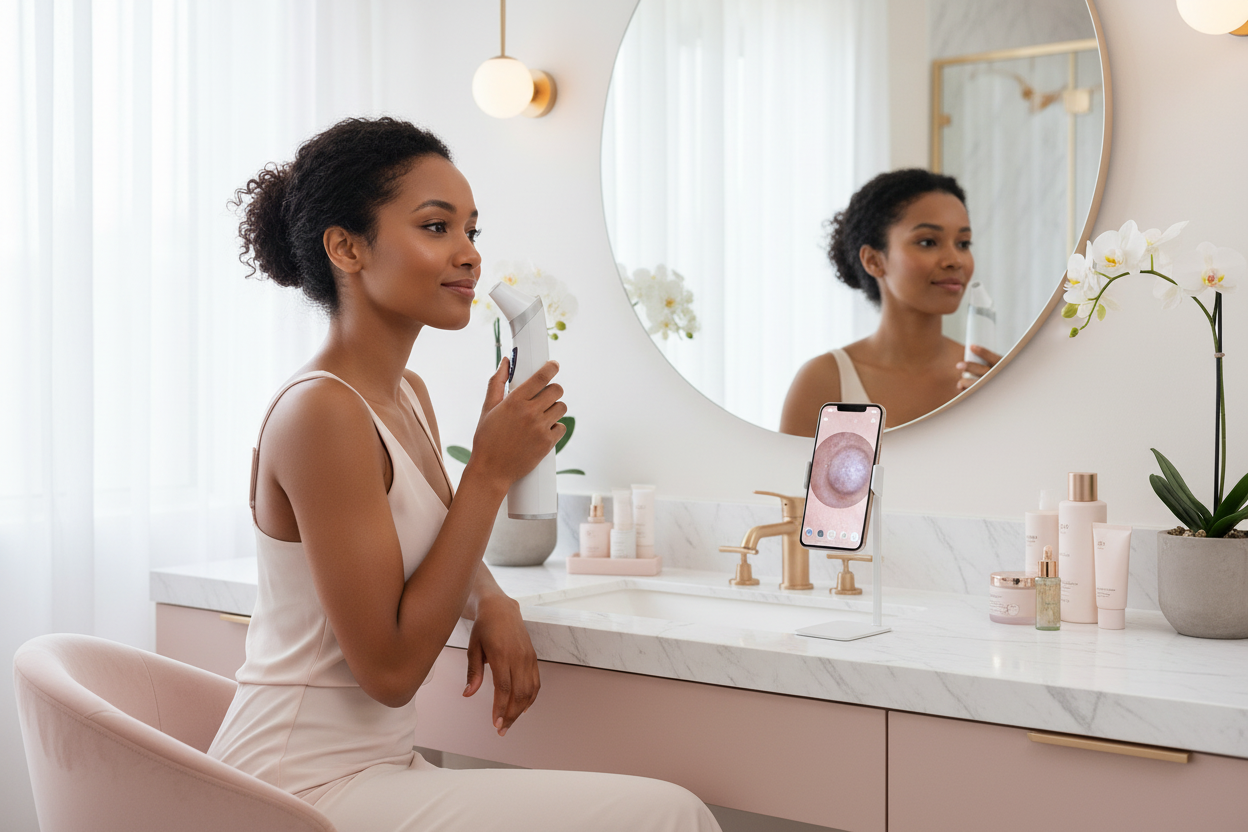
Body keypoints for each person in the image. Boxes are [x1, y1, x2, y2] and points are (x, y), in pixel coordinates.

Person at [208, 117, 720, 832]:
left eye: (472, 231)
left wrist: (494, 600)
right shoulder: (321, 414)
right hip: (296, 793)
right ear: (347, 248)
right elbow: (388, 674)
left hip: (375, 772)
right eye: (437, 227)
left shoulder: (405, 395)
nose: (469, 255)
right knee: (672, 816)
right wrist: (487, 472)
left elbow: (432, 547)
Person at [779, 169, 1000, 436]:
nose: (955, 260)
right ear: (874, 260)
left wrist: (1010, 408)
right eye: (928, 242)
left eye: (963, 243)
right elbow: (788, 479)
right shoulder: (824, 381)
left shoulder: (989, 378)